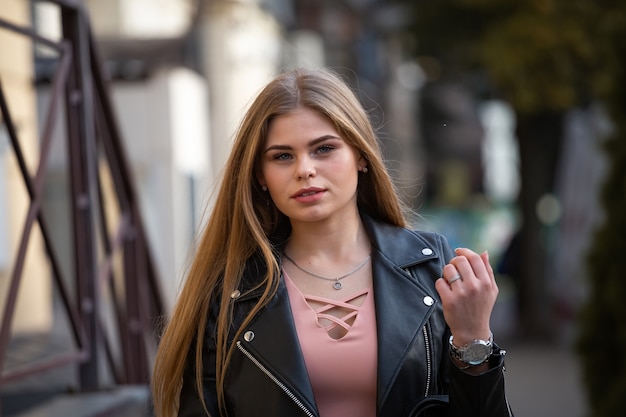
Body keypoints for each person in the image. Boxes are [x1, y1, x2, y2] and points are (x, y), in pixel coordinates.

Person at [151, 67, 513, 417]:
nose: (304, 169)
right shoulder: (231, 292)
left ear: (360, 154)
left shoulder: (430, 268)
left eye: (323, 149)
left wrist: (473, 339)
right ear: (260, 175)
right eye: (282, 156)